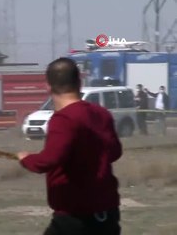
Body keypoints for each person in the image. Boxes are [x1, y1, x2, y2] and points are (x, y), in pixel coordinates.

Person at [17, 58, 122, 235]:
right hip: (107, 212)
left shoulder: (63, 119)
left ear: (48, 87)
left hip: (76, 217)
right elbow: (115, 152)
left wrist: (26, 159)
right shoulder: (102, 114)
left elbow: (49, 159)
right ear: (79, 82)